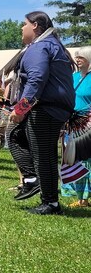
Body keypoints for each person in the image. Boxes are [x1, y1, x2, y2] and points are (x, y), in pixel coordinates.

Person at [7, 11, 75, 215]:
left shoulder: (40, 47)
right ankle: (35, 182)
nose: (21, 28)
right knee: (18, 136)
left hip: (45, 108)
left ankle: (48, 200)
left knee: (41, 154)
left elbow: (37, 79)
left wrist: (21, 108)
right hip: (54, 107)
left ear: (35, 26)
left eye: (24, 24)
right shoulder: (52, 44)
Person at [61, 47, 91, 208]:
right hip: (71, 124)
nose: (77, 60)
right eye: (76, 57)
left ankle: (85, 198)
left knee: (86, 161)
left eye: (81, 57)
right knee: (73, 160)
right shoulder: (72, 78)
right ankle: (80, 196)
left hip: (88, 126)